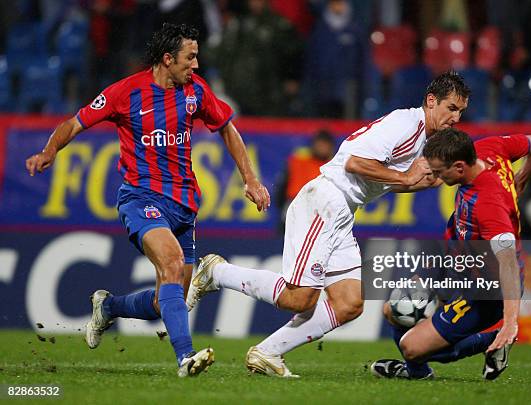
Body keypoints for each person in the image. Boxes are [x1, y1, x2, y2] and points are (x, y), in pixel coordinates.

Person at [24, 23, 270, 378]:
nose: (196, 65)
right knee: (170, 263)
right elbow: (75, 123)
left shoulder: (195, 91)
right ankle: (185, 358)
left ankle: (108, 307)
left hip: (185, 205)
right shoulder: (125, 92)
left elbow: (227, 128)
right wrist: (49, 151)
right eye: (191, 57)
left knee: (163, 301)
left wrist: (250, 178)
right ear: (168, 59)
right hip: (141, 197)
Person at [187, 71, 470, 377]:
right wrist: (405, 177)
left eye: (461, 112)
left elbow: (377, 180)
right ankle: (217, 272)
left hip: (342, 211)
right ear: (431, 101)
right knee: (299, 298)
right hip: (324, 201)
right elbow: (354, 162)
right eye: (451, 108)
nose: (455, 117)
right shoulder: (404, 124)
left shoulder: (420, 139)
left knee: (349, 303)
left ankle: (268, 352)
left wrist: (415, 183)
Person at [370, 128, 531, 380]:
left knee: (412, 347)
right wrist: (523, 177)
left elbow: (508, 261)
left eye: (438, 172)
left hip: (486, 288)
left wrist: (511, 322)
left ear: (458, 168)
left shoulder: (489, 203)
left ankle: (492, 340)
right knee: (393, 310)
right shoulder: (490, 147)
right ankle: (418, 372)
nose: (434, 177)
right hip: (454, 261)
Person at [275, 129, 336, 232]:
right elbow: (282, 185)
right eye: (319, 143)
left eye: (325, 144)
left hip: (322, 211)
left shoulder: (334, 166)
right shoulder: (299, 160)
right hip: (296, 205)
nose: (321, 147)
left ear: (331, 147)